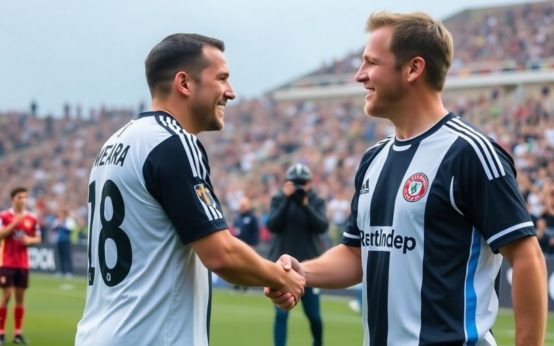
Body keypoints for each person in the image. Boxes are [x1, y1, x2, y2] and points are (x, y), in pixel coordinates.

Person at [266, 11, 547, 346]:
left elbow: (527, 256)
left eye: (371, 62)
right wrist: (303, 273)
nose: (359, 75)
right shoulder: (374, 158)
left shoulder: (469, 153)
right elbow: (357, 254)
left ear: (414, 68)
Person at [75, 33, 305, 346]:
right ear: (184, 83)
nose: (231, 93)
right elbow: (221, 254)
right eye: (222, 79)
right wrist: (281, 277)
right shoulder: (173, 142)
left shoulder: (115, 142)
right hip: (150, 337)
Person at [266, 163, 328, 346]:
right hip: (283, 268)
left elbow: (322, 226)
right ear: (286, 183)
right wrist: (287, 200)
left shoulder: (315, 200)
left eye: (303, 182)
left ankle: (318, 343)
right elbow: (272, 225)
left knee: (314, 315)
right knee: (281, 314)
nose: (299, 186)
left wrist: (306, 205)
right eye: (295, 182)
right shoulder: (279, 199)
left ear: (310, 182)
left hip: (310, 267)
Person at [0, 187, 42, 345]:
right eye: (20, 197)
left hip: (23, 264)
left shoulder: (31, 218)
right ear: (13, 199)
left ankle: (17, 334)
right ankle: (1, 333)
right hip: (7, 262)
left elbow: (38, 238)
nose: (23, 200)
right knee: (6, 295)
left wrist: (29, 241)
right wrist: (13, 225)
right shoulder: (4, 216)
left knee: (20, 299)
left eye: (25, 197)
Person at [52, 209, 77, 277]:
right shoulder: (57, 220)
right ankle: (60, 271)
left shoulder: (69, 220)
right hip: (58, 241)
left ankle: (68, 271)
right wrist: (58, 224)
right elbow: (53, 228)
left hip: (66, 240)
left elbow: (70, 229)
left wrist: (62, 224)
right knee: (60, 256)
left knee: (67, 256)